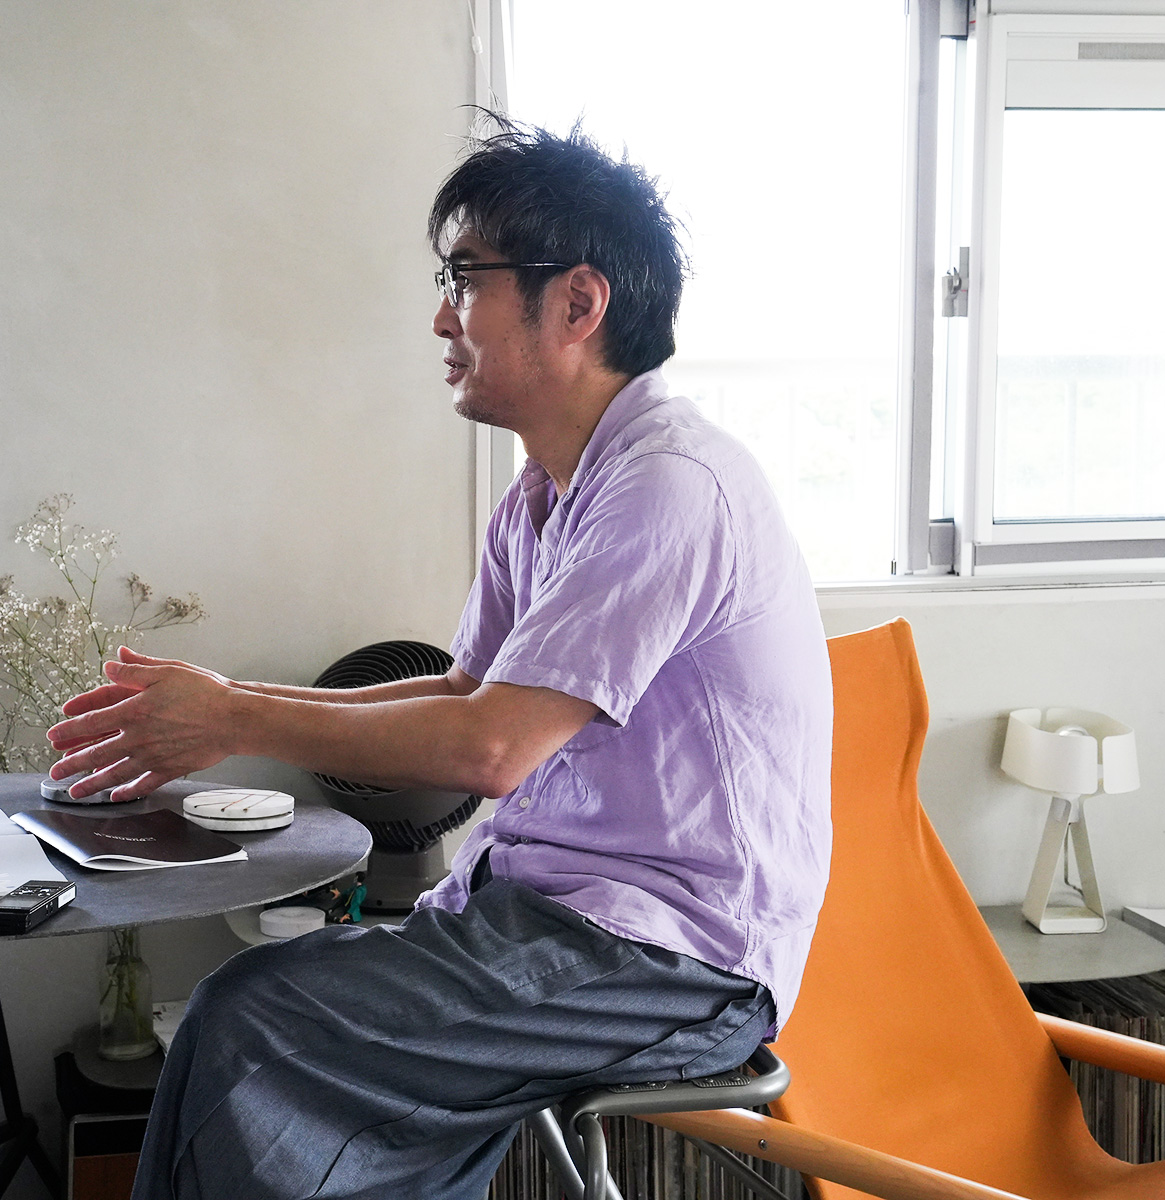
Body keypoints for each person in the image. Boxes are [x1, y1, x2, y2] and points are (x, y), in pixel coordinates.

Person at [47, 116, 833, 1200]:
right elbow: (470, 689)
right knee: (253, 1013)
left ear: (578, 302)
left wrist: (231, 721)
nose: (440, 316)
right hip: (551, 919)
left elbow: (491, 748)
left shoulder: (670, 485)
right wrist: (226, 701)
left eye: (465, 279)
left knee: (250, 1021)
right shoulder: (543, 495)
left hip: (674, 960)